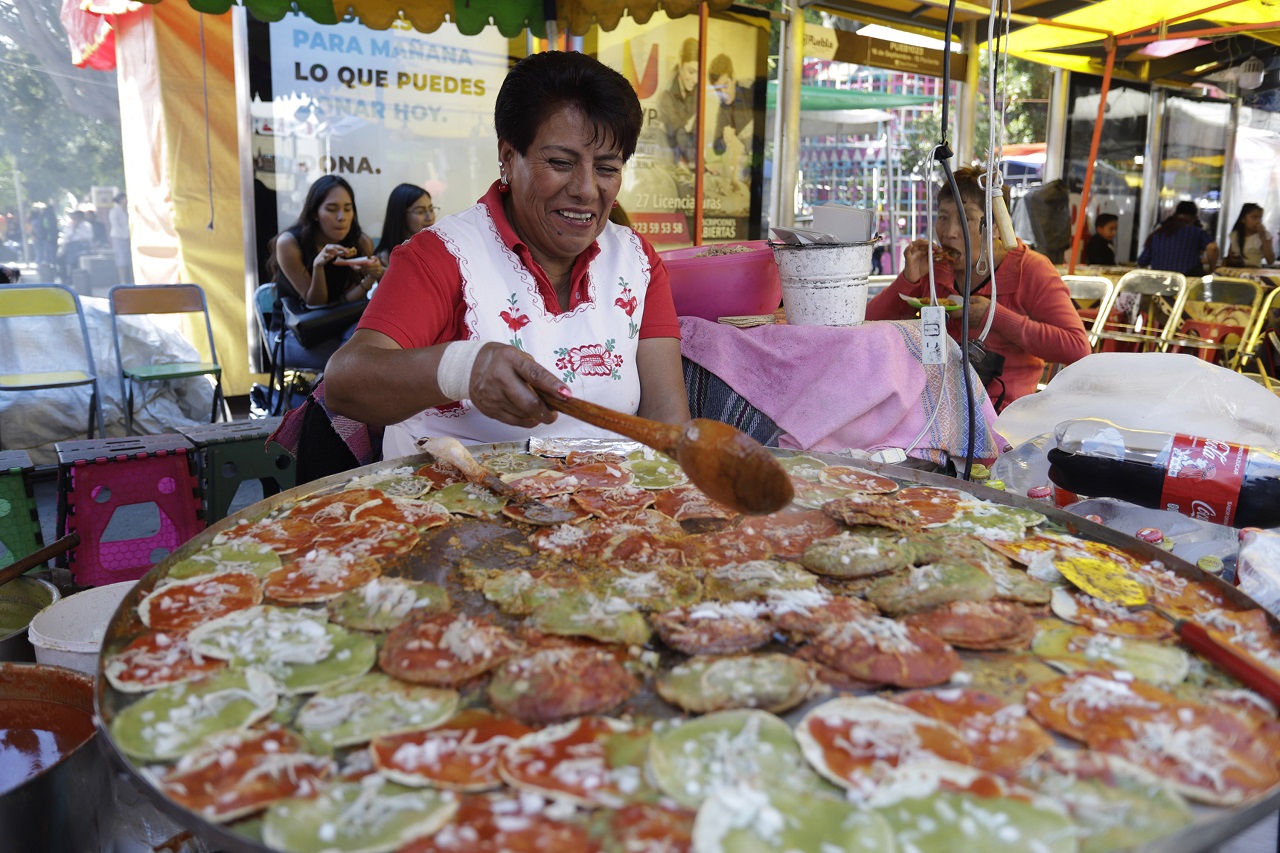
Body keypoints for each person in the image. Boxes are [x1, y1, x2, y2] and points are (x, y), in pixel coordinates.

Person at [324, 50, 689, 459]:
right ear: (508, 157)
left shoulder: (636, 261)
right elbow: (344, 383)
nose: (586, 189)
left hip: (607, 494)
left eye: (607, 168)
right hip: (448, 496)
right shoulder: (442, 255)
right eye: (560, 162)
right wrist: (464, 367)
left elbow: (668, 425)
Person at [865, 167, 1091, 410]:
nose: (949, 233)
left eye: (965, 219)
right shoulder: (935, 268)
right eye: (943, 217)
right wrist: (908, 280)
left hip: (1002, 413)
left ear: (995, 227)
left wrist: (994, 317)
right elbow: (867, 324)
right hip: (933, 406)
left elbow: (1077, 347)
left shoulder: (1030, 270)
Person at [268, 174, 384, 370]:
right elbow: (315, 303)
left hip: (338, 326)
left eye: (348, 209)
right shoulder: (289, 243)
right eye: (331, 209)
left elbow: (346, 302)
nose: (341, 217)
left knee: (369, 350)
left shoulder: (360, 242)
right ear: (315, 213)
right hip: (294, 332)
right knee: (352, 364)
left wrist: (371, 277)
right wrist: (318, 266)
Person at [1137, 200, 1218, 276]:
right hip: (1187, 278)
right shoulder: (1196, 231)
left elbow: (1142, 261)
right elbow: (1212, 248)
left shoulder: (1158, 232)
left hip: (1160, 280)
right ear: (1193, 217)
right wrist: (1212, 269)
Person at [706, 54, 754, 182]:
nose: (723, 94)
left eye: (725, 85)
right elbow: (717, 149)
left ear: (733, 77)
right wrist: (723, 140)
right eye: (718, 90)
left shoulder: (750, 88)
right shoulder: (723, 110)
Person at [656, 38, 700, 170]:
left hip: (683, 146)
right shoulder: (666, 92)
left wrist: (702, 162)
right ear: (680, 63)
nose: (695, 79)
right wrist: (696, 164)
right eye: (691, 71)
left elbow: (696, 130)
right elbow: (678, 131)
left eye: (699, 73)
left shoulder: (696, 88)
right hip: (664, 146)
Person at [374, 184, 435, 268]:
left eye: (431, 209)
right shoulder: (384, 260)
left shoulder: (436, 248)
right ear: (400, 214)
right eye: (420, 211)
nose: (430, 217)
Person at [1226, 203, 1275, 267]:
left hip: (1255, 270)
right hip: (1237, 269)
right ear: (1243, 219)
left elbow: (1270, 261)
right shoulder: (1235, 235)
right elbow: (1230, 258)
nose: (1258, 221)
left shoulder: (1265, 235)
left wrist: (1263, 237)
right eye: (1254, 218)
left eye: (1260, 218)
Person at [57, 210, 93, 283]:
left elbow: (89, 237)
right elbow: (67, 236)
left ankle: (73, 276)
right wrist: (74, 229)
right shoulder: (69, 225)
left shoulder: (86, 225)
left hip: (82, 245)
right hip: (70, 245)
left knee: (75, 259)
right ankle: (66, 277)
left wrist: (78, 231)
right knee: (62, 259)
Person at [109, 193, 132, 284]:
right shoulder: (114, 211)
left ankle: (130, 279)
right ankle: (123, 280)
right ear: (121, 200)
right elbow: (116, 226)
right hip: (118, 237)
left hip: (128, 237)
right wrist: (125, 235)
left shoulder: (127, 210)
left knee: (129, 259)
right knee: (121, 259)